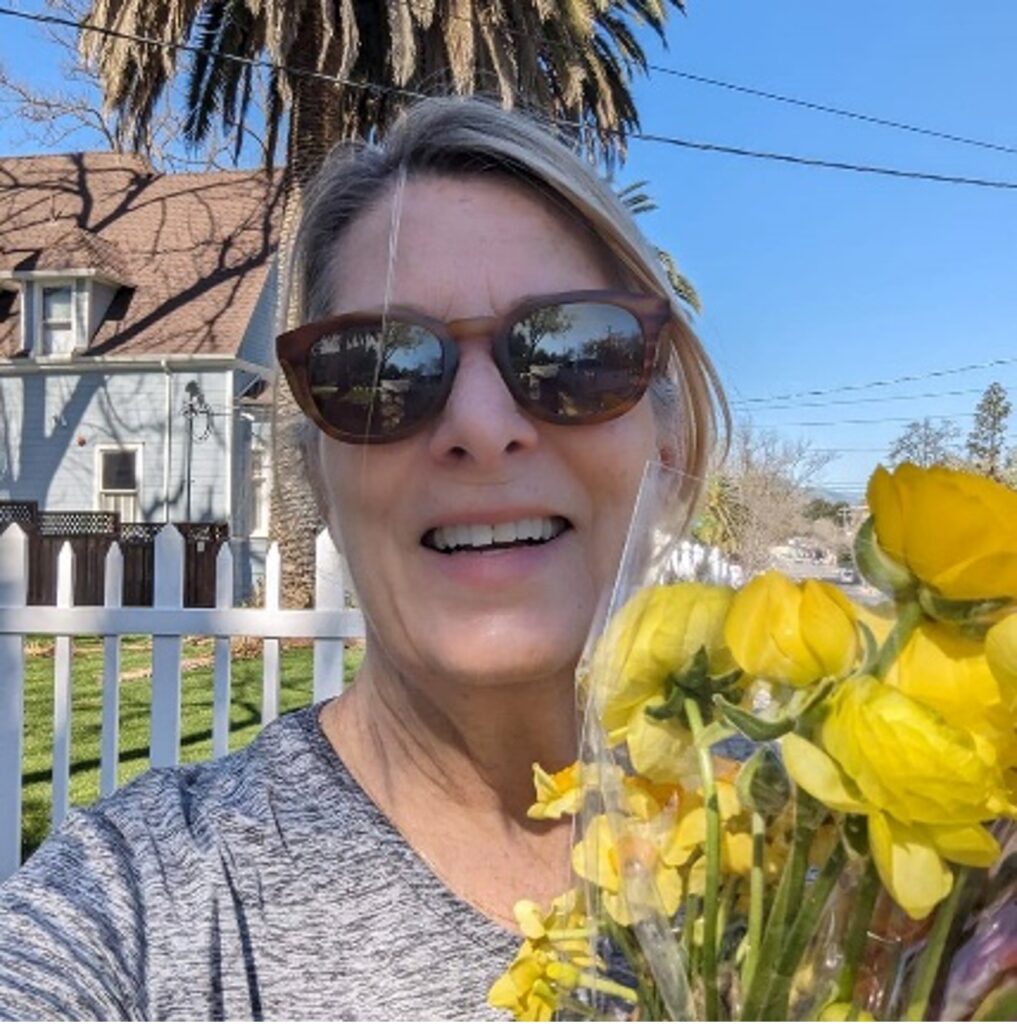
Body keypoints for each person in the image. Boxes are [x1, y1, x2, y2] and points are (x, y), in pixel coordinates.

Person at [0, 97, 724, 1021]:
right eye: (377, 369)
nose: (480, 428)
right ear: (317, 469)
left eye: (574, 353)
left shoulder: (859, 834)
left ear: (670, 442)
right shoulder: (142, 909)